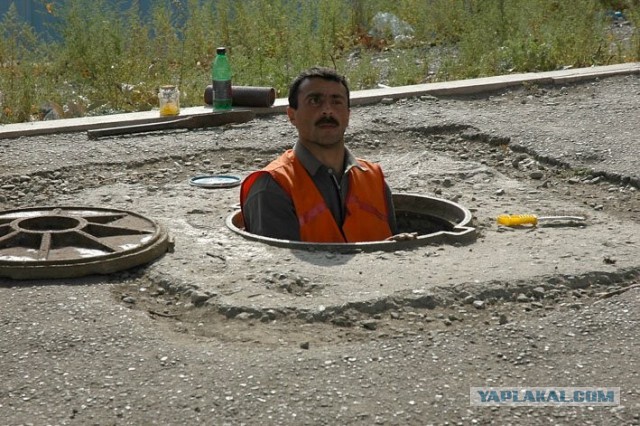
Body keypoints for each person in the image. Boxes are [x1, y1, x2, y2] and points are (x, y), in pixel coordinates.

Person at [240, 66, 413, 243]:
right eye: (315, 101)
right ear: (292, 116)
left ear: (348, 115)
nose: (327, 111)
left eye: (336, 101)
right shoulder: (273, 186)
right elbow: (282, 267)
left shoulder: (373, 178)